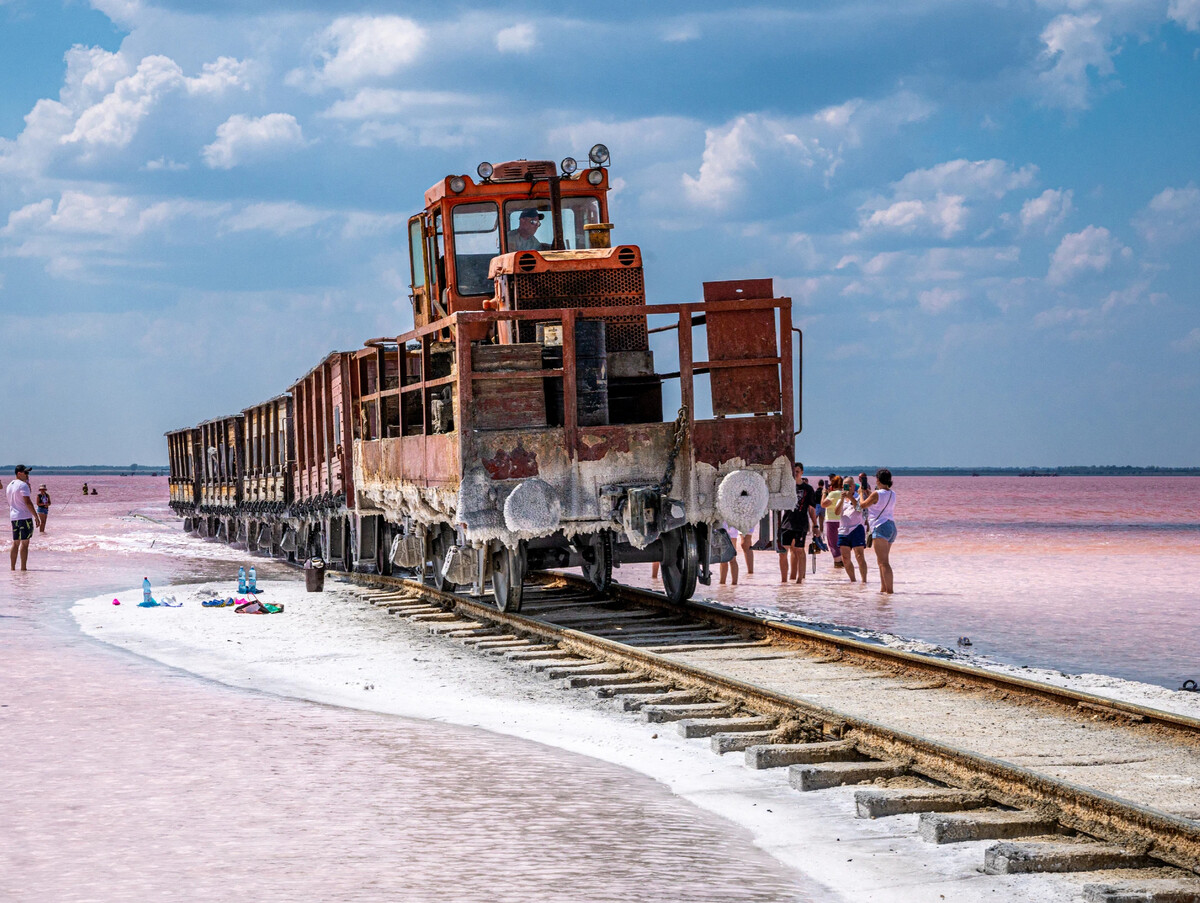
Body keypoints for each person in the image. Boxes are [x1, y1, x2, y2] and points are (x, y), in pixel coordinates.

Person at [778, 462, 819, 583]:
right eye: (793, 471)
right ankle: (784, 581)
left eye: (797, 471)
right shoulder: (787, 487)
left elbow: (811, 509)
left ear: (802, 472)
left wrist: (815, 525)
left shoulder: (808, 489)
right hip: (786, 523)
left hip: (801, 523)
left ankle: (799, 580)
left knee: (799, 550)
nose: (795, 474)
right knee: (782, 552)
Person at [858, 468, 897, 593]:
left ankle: (890, 591)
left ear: (878, 480)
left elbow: (862, 505)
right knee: (882, 561)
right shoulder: (892, 493)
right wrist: (868, 491)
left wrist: (860, 493)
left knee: (883, 562)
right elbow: (878, 499)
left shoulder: (876, 494)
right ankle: (883, 590)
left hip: (880, 526)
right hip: (891, 526)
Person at [835, 476, 869, 583]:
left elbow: (859, 509)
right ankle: (853, 580)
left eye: (850, 485)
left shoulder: (858, 497)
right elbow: (836, 512)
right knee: (845, 558)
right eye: (846, 486)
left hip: (856, 528)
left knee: (859, 555)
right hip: (843, 530)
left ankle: (864, 580)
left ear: (854, 486)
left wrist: (851, 497)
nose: (848, 488)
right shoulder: (841, 499)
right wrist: (842, 499)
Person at [8, 465, 41, 571]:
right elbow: (28, 502)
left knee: (16, 542)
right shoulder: (22, 485)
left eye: (28, 473)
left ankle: (12, 568)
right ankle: (23, 568)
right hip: (24, 516)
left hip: (14, 517)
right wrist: (36, 516)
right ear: (19, 473)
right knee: (25, 543)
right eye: (25, 473)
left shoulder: (10, 485)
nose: (27, 475)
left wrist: (27, 483)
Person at [820, 476, 844, 568]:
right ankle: (842, 561)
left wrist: (824, 493)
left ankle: (838, 563)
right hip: (841, 520)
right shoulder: (843, 493)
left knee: (832, 543)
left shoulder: (833, 494)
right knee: (840, 543)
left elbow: (823, 504)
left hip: (831, 520)